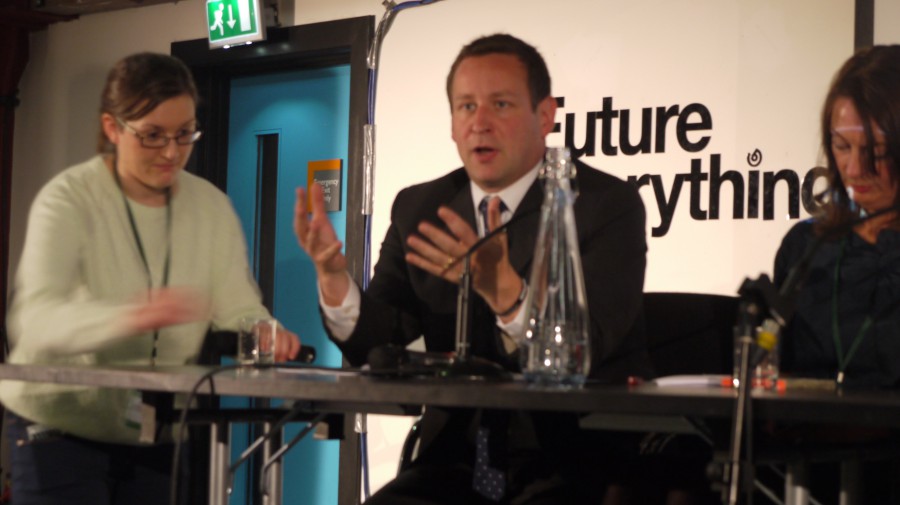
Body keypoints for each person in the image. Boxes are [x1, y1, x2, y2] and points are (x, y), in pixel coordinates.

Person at [295, 34, 650, 503]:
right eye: (465, 107)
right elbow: (387, 344)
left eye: (500, 104)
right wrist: (335, 279)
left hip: (574, 461)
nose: (479, 123)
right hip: (454, 462)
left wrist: (506, 293)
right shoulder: (421, 206)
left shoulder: (603, 205)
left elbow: (589, 348)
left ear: (545, 116)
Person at [0, 52, 300, 505]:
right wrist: (132, 316)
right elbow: (35, 321)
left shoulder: (211, 207)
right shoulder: (68, 199)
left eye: (184, 134)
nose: (171, 152)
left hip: (158, 424)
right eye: (152, 136)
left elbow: (238, 306)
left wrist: (263, 331)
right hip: (59, 422)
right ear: (112, 128)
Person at [770, 45, 900, 502]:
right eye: (842, 147)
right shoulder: (807, 247)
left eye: (876, 151)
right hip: (809, 472)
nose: (855, 168)